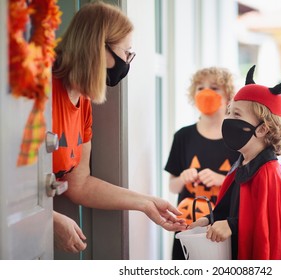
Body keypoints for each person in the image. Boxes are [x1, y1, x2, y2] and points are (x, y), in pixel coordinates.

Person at [52, 1, 186, 253]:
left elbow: (79, 185)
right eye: (126, 52)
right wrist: (50, 220)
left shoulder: (83, 103)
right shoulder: (43, 89)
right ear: (98, 47)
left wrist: (146, 203)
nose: (127, 61)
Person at [189, 66, 281, 260]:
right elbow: (231, 207)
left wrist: (232, 225)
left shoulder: (268, 173)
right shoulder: (242, 164)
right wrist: (208, 220)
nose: (228, 120)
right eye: (230, 112)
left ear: (262, 129)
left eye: (237, 115)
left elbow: (267, 224)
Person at [164, 66, 240, 260]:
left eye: (215, 88)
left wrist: (222, 180)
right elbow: (172, 187)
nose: (206, 92)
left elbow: (245, 188)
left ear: (229, 96)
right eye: (200, 88)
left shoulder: (238, 139)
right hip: (188, 226)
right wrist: (182, 177)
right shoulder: (183, 136)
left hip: (223, 229)